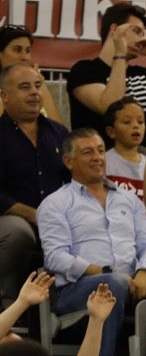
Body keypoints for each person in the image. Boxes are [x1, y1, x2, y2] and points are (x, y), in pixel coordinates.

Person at [38, 127, 146, 356]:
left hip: (133, 283)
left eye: (101, 150)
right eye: (87, 152)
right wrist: (105, 272)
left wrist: (145, 272)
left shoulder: (129, 200)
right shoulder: (55, 203)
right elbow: (55, 257)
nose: (97, 157)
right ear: (68, 161)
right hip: (76, 290)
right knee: (112, 283)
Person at [0, 65, 70, 308]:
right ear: (4, 96)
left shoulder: (59, 133)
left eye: (38, 86)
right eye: (24, 87)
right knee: (19, 232)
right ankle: (7, 305)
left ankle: (68, 305)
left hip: (56, 221)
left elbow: (75, 181)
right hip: (11, 220)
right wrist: (36, 215)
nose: (34, 92)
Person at [67, 3, 146, 147]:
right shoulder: (84, 70)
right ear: (115, 29)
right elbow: (111, 106)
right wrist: (120, 54)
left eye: (143, 34)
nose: (141, 39)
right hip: (104, 163)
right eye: (136, 31)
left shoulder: (145, 75)